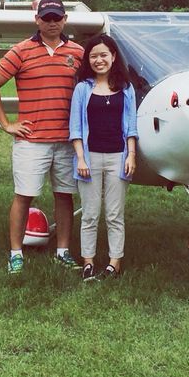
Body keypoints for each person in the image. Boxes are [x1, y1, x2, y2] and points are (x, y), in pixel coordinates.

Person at [0, 0, 85, 275]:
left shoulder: (77, 52)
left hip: (67, 141)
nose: (52, 23)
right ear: (37, 20)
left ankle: (63, 251)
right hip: (31, 141)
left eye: (57, 18)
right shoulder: (20, 51)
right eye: (47, 18)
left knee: (64, 196)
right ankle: (16, 253)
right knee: (24, 196)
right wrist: (6, 123)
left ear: (65, 20)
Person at [69, 34, 138, 281]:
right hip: (90, 158)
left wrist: (131, 155)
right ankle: (87, 261)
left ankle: (114, 262)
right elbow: (75, 127)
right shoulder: (82, 89)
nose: (99, 60)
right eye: (94, 56)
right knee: (90, 213)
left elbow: (131, 127)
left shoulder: (126, 88)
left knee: (114, 214)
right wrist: (80, 158)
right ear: (88, 60)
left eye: (103, 55)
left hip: (117, 157)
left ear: (113, 57)